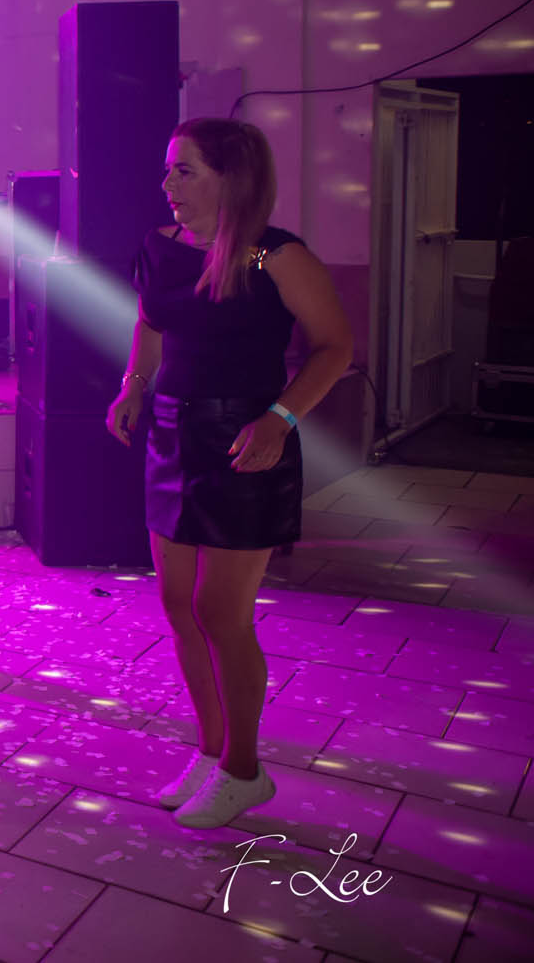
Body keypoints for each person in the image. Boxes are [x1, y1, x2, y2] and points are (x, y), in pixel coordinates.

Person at [107, 118, 351, 829]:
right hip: (172, 434)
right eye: (168, 168)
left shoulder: (272, 254)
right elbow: (152, 324)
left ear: (231, 177)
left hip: (246, 439)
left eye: (184, 170)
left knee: (221, 612)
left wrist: (280, 418)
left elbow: (335, 346)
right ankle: (213, 752)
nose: (167, 183)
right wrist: (134, 384)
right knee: (178, 604)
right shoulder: (161, 245)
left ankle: (245, 769)